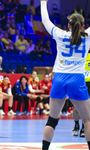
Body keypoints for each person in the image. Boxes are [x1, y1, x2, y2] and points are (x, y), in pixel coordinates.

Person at [41, 0, 90, 150]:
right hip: (77, 78)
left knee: (52, 120)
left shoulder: (60, 34)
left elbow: (45, 20)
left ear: (68, 25)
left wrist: (43, 3)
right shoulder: (87, 36)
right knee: (87, 120)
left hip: (59, 78)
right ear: (83, 26)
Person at [72, 50, 90, 137]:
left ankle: (83, 127)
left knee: (87, 108)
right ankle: (76, 125)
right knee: (76, 108)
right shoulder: (79, 55)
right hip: (80, 83)